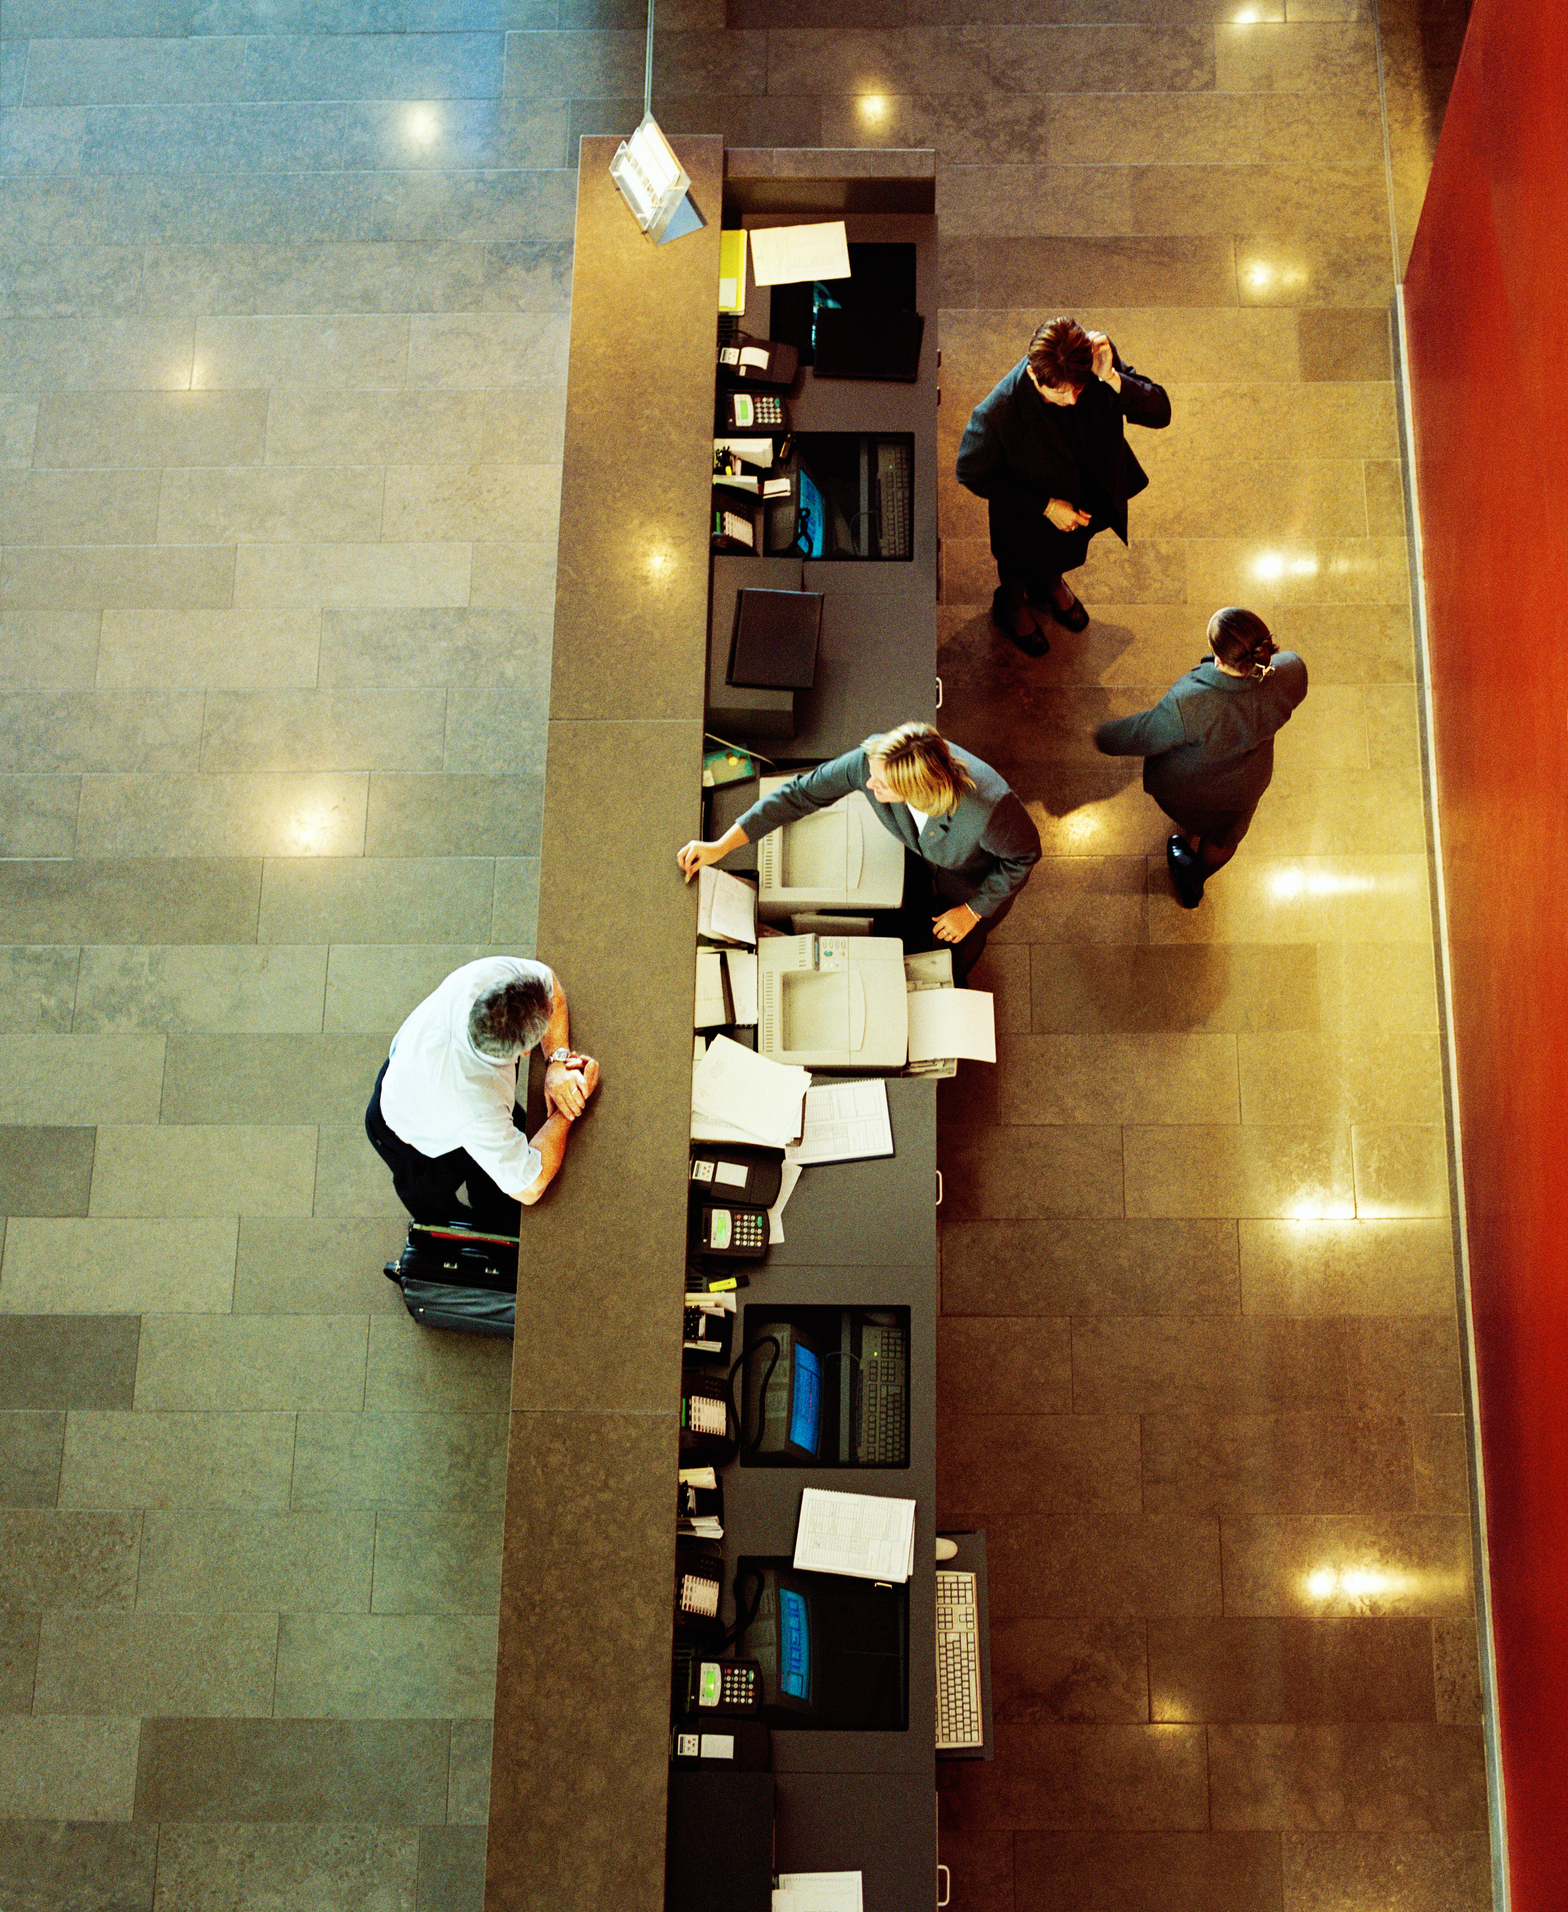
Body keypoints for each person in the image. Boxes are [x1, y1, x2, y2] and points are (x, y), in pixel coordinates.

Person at [676, 722, 1040, 984]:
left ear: (917, 789)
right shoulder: (875, 759)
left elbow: (1024, 856)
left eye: (880, 785)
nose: (867, 784)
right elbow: (800, 794)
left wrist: (973, 910)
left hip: (970, 884)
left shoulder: (989, 810)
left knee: (958, 944)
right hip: (920, 854)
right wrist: (720, 846)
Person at [956, 315, 1171, 658]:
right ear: (1032, 375)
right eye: (1059, 391)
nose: (1072, 399)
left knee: (1065, 549)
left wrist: (1112, 378)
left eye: (1079, 388)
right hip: (1027, 513)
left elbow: (1161, 412)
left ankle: (1051, 583)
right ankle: (1012, 603)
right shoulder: (996, 414)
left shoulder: (1095, 360)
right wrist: (1046, 505)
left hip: (1083, 490)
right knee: (1018, 563)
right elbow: (971, 473)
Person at [1093, 608, 1308, 910]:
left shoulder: (1191, 702)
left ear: (1219, 659)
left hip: (1196, 786)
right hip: (1247, 783)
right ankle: (1194, 881)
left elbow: (1144, 735)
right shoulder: (1293, 669)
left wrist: (1101, 735)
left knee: (1198, 817)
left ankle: (1188, 859)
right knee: (1225, 837)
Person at [365, 956, 600, 1231]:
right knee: (431, 1204)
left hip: (412, 1067)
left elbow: (550, 986)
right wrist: (567, 1109)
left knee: (490, 1170)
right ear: (525, 1051)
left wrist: (557, 1062)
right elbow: (529, 1187)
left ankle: (488, 1206)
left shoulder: (487, 977)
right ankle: (446, 1230)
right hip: (405, 1134)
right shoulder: (480, 1107)